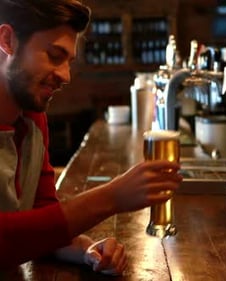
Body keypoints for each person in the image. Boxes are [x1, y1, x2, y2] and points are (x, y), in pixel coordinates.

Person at [0, 0, 182, 275]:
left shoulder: (33, 118)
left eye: (69, 61)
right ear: (7, 40)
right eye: (54, 55)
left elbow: (41, 218)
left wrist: (86, 249)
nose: (65, 75)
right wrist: (111, 197)